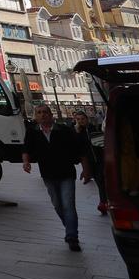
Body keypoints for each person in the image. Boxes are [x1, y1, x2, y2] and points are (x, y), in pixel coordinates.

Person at [23, 104, 93, 250]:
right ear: (35, 116)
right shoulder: (32, 132)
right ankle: (70, 227)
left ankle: (72, 236)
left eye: (45, 112)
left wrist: (86, 170)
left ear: (51, 115)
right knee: (57, 205)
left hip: (66, 173)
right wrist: (26, 162)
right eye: (39, 113)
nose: (42, 115)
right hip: (48, 175)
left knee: (68, 204)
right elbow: (26, 149)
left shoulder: (64, 130)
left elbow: (80, 151)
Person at [73, 110, 108, 214]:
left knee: (101, 180)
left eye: (82, 119)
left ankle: (103, 202)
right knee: (99, 181)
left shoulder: (94, 128)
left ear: (86, 119)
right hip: (89, 162)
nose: (81, 121)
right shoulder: (78, 132)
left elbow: (101, 144)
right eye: (78, 119)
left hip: (100, 159)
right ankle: (105, 201)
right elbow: (79, 148)